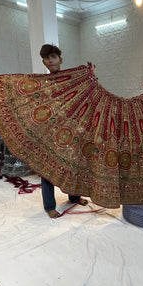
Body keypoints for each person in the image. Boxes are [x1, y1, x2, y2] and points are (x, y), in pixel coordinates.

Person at [39, 44, 89, 218]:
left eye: (52, 57)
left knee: (72, 164)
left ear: (60, 58)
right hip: (49, 132)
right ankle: (49, 206)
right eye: (45, 58)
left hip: (70, 130)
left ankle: (74, 197)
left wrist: (92, 75)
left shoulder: (71, 79)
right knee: (48, 169)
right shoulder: (41, 82)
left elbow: (86, 91)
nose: (49, 61)